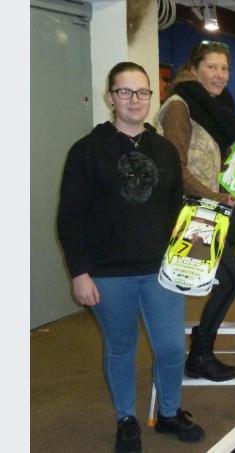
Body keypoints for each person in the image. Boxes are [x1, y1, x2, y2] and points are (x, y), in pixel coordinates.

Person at [57, 62, 205, 453]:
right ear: (110, 98)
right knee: (121, 349)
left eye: (142, 92)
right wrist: (80, 273)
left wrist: (190, 259)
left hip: (160, 272)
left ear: (151, 98)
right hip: (107, 274)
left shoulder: (165, 151)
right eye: (125, 92)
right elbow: (70, 216)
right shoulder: (87, 151)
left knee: (172, 348)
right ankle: (126, 418)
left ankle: (170, 413)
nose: (134, 100)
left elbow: (177, 212)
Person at [158, 41, 235, 381]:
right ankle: (199, 355)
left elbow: (219, 163)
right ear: (195, 69)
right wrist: (215, 195)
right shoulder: (180, 108)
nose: (219, 75)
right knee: (231, 279)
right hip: (191, 214)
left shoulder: (217, 108)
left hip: (216, 209)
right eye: (211, 67)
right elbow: (175, 169)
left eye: (224, 68)